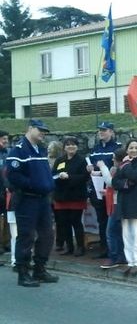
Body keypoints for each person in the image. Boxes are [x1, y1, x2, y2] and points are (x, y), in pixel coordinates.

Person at [6, 119, 59, 287]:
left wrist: (47, 184)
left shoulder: (41, 150)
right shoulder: (18, 151)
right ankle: (23, 273)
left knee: (47, 235)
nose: (43, 133)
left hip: (43, 200)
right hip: (27, 199)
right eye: (40, 130)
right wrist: (33, 185)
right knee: (26, 236)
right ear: (30, 129)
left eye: (45, 131)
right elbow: (13, 176)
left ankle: (39, 268)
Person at [112, 139, 137, 277]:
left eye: (136, 148)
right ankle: (130, 262)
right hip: (125, 203)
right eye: (131, 148)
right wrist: (128, 183)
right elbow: (115, 182)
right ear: (127, 150)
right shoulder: (123, 164)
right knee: (127, 234)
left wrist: (126, 167)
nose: (134, 150)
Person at [87, 121, 120, 259]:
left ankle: (114, 249)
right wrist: (90, 169)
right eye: (100, 130)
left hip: (111, 190)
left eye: (104, 130)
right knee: (101, 220)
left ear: (111, 132)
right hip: (97, 189)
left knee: (113, 221)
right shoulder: (95, 149)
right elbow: (93, 168)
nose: (101, 132)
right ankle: (104, 248)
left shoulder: (118, 148)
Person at [52, 136, 89, 256]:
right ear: (64, 148)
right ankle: (69, 247)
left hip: (76, 196)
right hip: (61, 197)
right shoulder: (59, 160)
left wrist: (69, 177)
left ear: (77, 147)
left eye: (73, 144)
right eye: (68, 145)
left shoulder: (82, 160)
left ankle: (80, 247)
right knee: (64, 222)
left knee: (76, 221)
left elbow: (84, 177)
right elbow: (53, 175)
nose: (70, 146)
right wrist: (59, 176)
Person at [97, 148, 128, 268]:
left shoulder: (119, 169)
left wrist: (102, 167)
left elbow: (111, 182)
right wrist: (107, 192)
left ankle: (114, 257)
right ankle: (121, 257)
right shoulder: (118, 169)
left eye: (114, 157)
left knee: (110, 232)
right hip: (116, 202)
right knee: (117, 232)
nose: (112, 159)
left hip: (116, 204)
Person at [0, 129, 9, 264]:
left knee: (8, 217)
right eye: (3, 139)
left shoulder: (8, 153)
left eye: (7, 139)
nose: (6, 141)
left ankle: (5, 242)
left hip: (6, 190)